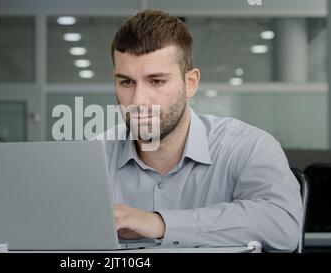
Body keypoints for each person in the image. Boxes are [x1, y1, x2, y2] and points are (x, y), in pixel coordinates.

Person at [105, 9, 303, 252]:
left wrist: (159, 223)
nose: (138, 100)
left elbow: (282, 226)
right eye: (126, 82)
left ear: (191, 83)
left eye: (156, 81)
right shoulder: (93, 156)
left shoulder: (248, 146)